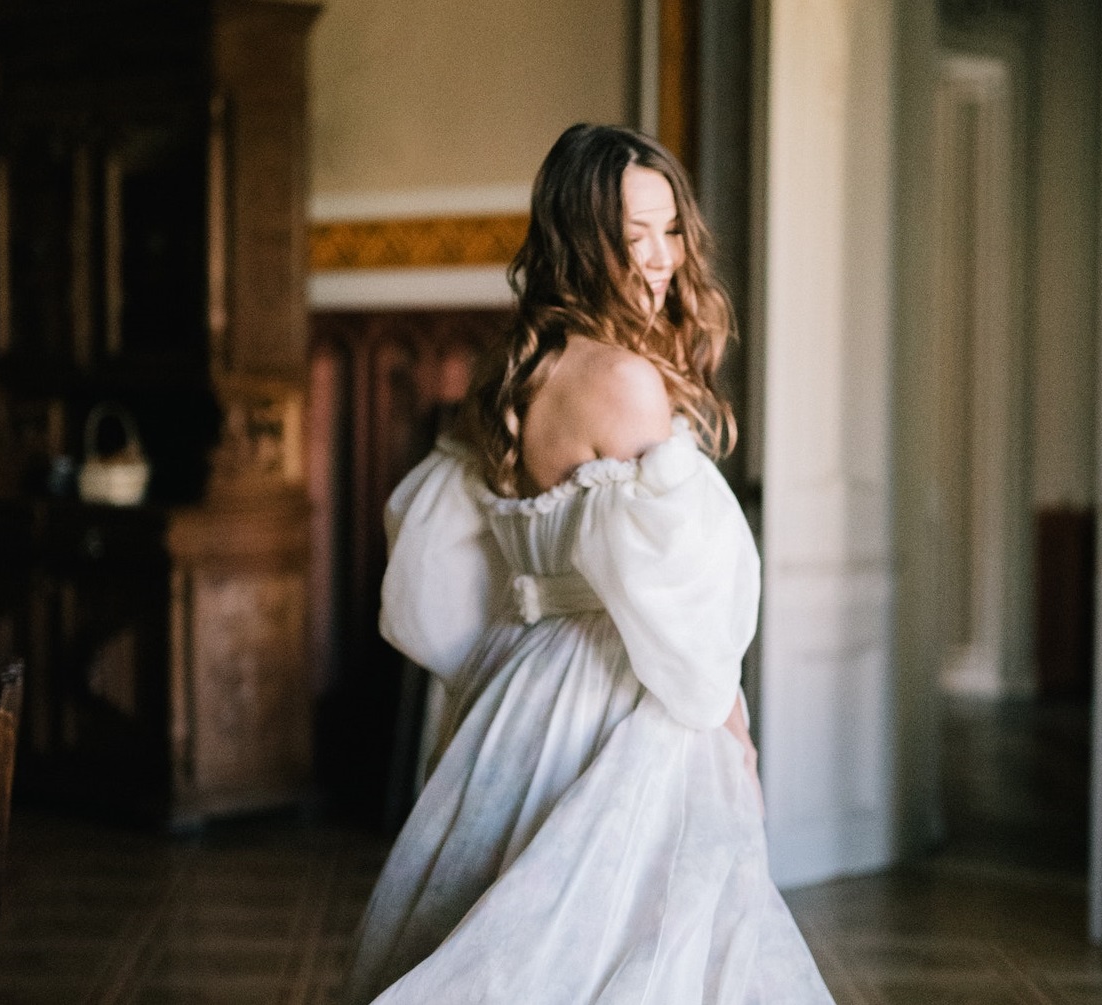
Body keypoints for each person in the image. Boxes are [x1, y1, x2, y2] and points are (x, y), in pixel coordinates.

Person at [341, 123, 835, 1004]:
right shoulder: (625, 380)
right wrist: (732, 726)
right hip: (625, 690)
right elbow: (676, 604)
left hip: (521, 684)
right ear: (579, 240)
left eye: (669, 228)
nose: (658, 258)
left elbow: (440, 570)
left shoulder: (517, 368)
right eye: (629, 235)